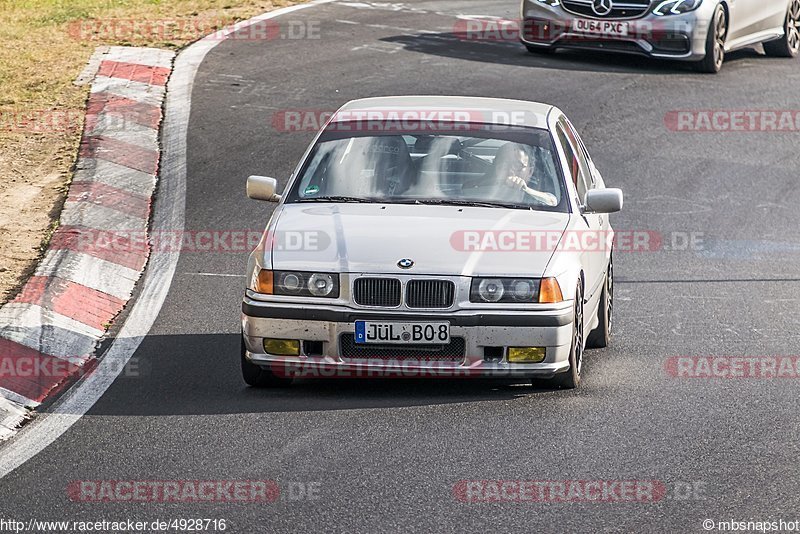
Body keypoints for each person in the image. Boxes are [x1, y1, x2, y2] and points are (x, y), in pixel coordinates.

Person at [493, 142, 558, 206]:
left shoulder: (535, 198)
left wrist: (525, 190)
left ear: (530, 171)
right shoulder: (485, 189)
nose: (510, 171)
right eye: (504, 166)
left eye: (517, 165)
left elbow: (552, 202)